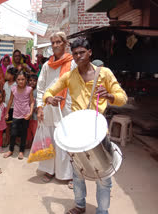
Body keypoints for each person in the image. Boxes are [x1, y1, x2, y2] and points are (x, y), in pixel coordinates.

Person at [43, 38, 127, 214]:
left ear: (90, 53)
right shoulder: (69, 76)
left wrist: (111, 96)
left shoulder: (104, 73)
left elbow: (122, 97)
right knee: (78, 173)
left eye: (82, 52)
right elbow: (48, 92)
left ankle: (102, 211)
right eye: (75, 53)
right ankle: (80, 205)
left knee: (104, 177)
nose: (78, 56)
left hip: (98, 132)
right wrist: (50, 99)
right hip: (76, 133)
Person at [36, 32, 75, 187]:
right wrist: (40, 107)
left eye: (58, 42)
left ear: (65, 43)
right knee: (49, 139)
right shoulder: (47, 65)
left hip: (67, 107)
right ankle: (49, 170)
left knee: (66, 140)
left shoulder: (73, 64)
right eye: (53, 43)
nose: (55, 45)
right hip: (48, 108)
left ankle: (69, 174)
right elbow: (40, 88)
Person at [4, 71, 34, 160]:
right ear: (16, 80)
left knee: (24, 133)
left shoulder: (29, 89)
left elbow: (32, 101)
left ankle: (21, 151)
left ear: (26, 80)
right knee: (13, 133)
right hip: (16, 114)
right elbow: (10, 101)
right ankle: (11, 150)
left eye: (23, 79)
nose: (21, 81)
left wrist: (30, 113)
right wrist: (6, 112)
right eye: (19, 79)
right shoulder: (13, 89)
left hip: (26, 115)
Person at [3, 67, 17, 146]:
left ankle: (14, 140)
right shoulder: (5, 84)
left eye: (8, 73)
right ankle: (7, 139)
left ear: (13, 75)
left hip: (14, 107)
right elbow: (4, 95)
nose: (7, 75)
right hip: (7, 107)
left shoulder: (16, 84)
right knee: (7, 125)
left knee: (14, 125)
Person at [26, 74, 38, 148]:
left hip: (35, 113)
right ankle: (29, 143)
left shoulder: (38, 91)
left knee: (35, 128)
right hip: (28, 112)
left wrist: (39, 108)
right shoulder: (27, 90)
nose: (32, 82)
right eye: (30, 80)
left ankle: (35, 144)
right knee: (28, 128)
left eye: (34, 81)